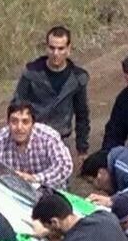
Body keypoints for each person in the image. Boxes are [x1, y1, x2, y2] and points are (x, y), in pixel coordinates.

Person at [12, 26, 90, 159]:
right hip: (32, 139)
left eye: (61, 49)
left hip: (60, 140)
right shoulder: (32, 73)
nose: (56, 53)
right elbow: (16, 107)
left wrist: (82, 149)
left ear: (68, 49)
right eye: (52, 48)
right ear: (46, 48)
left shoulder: (77, 78)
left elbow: (82, 115)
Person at [0, 99, 73, 189]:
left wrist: (35, 178)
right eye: (14, 121)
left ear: (33, 124)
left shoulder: (48, 137)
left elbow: (65, 166)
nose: (19, 127)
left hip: (50, 192)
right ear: (8, 123)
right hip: (15, 195)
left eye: (25, 122)